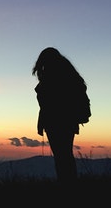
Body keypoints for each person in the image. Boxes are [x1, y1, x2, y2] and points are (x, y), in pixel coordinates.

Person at [32, 47, 90, 184]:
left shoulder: (52, 76)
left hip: (56, 121)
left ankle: (66, 183)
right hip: (68, 121)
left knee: (61, 156)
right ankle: (68, 182)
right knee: (65, 154)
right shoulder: (68, 74)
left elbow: (47, 102)